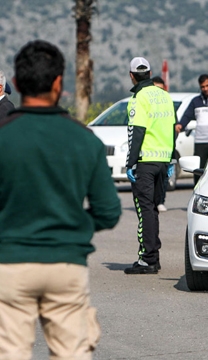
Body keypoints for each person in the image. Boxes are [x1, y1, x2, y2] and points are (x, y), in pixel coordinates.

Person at [0, 40, 121, 359]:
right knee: (71, 352)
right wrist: (76, 224)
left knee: (10, 352)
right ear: (58, 83)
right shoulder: (83, 138)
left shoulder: (4, 136)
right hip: (66, 263)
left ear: (18, 81)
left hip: (10, 264)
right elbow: (108, 212)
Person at [123, 57, 176, 274]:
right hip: (163, 161)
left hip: (145, 162)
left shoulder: (138, 99)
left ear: (132, 75)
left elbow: (137, 133)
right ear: (150, 72)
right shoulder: (165, 96)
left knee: (144, 210)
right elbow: (173, 128)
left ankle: (148, 258)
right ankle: (153, 256)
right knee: (153, 209)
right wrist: (172, 159)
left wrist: (130, 163)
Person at [151, 75, 177, 213]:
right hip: (151, 149)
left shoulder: (168, 105)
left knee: (163, 178)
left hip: (165, 148)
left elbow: (173, 128)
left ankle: (160, 201)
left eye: (161, 90)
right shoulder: (147, 106)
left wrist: (172, 154)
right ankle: (152, 201)